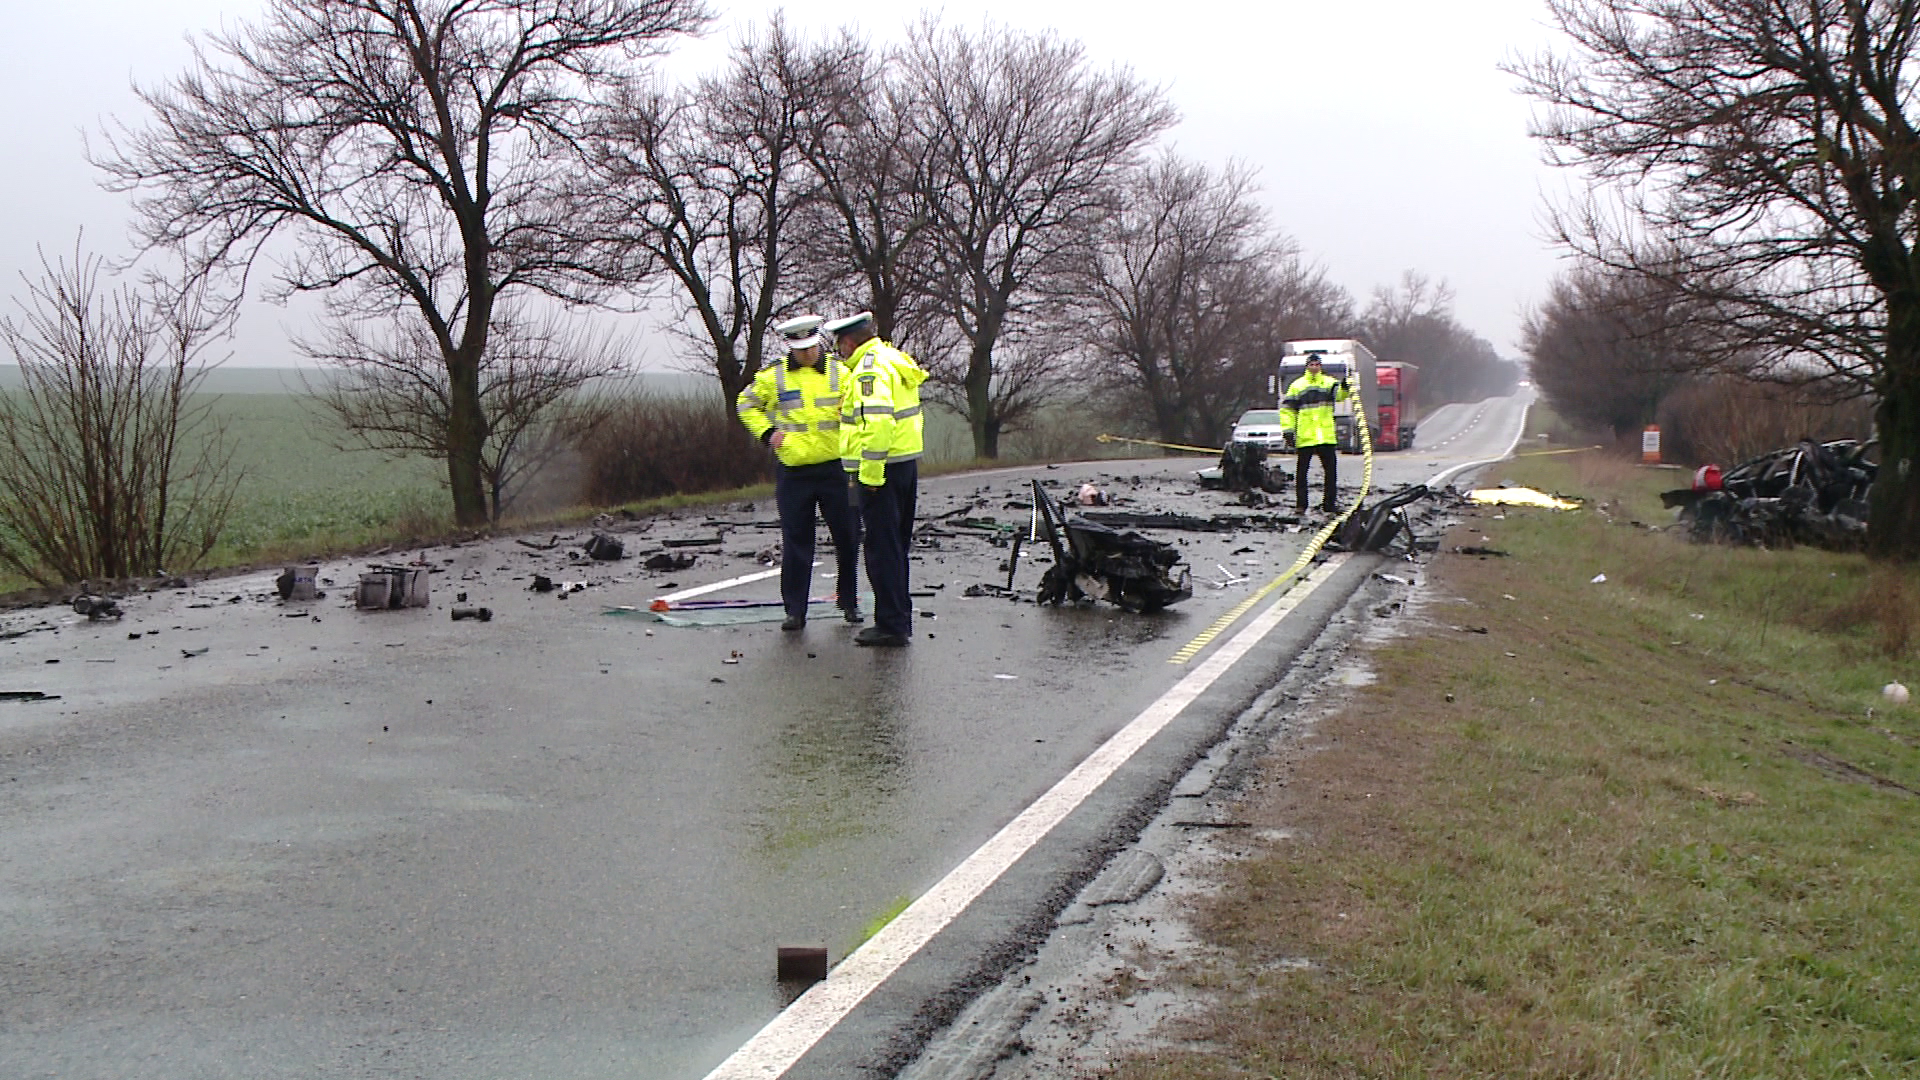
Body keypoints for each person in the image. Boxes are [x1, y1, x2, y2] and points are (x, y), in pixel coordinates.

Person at [735, 314, 862, 631]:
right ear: (789, 346)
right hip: (794, 471)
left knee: (848, 538)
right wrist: (766, 433)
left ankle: (848, 602)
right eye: (799, 349)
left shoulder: (841, 372)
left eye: (810, 347)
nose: (806, 354)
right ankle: (795, 610)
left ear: (818, 341)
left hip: (837, 467)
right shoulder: (773, 377)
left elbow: (860, 408)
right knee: (796, 542)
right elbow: (746, 403)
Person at [828, 311, 927, 648]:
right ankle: (898, 618)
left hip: (879, 471)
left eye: (840, 345)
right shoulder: (892, 357)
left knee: (882, 549)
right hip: (903, 464)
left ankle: (890, 624)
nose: (840, 353)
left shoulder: (868, 370)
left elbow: (879, 422)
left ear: (848, 342)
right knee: (896, 547)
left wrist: (870, 476)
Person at [1279, 353, 1350, 516]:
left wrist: (1346, 386)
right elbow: (1287, 410)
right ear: (1307, 366)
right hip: (1306, 435)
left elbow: (1339, 395)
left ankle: (1329, 505)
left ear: (1320, 366)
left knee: (1331, 472)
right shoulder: (1297, 386)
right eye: (1312, 364)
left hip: (1325, 435)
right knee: (1302, 473)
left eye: (1317, 364)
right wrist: (1288, 431)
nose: (1314, 367)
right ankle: (1301, 505)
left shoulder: (1329, 382)